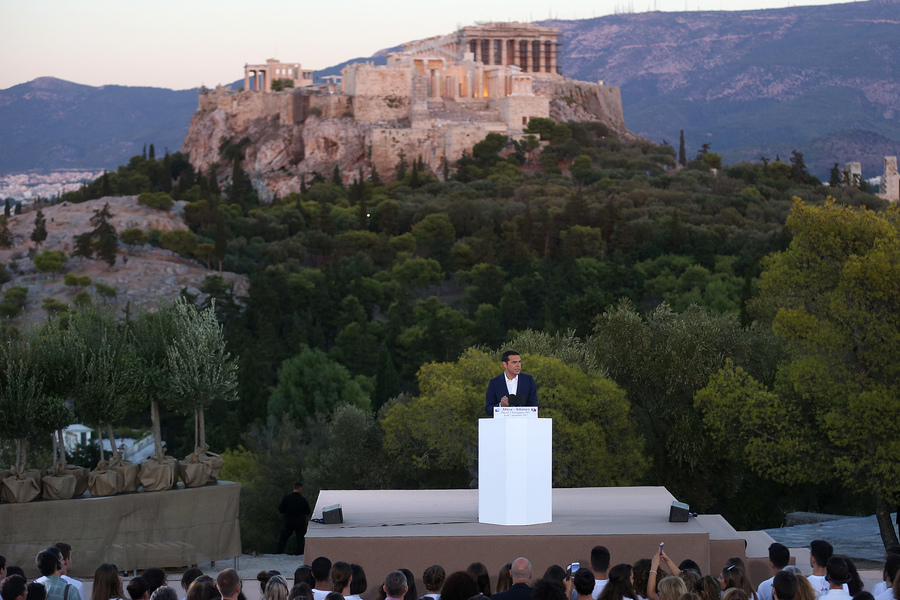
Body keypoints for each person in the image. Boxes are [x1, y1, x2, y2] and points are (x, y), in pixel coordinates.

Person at [485, 351, 538, 415]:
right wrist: (500, 406)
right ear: (505, 364)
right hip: (502, 423)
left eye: (519, 362)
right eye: (514, 362)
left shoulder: (528, 380)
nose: (518, 365)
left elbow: (534, 405)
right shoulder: (494, 383)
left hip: (524, 423)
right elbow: (488, 409)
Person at [277, 482, 312, 556]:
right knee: (300, 539)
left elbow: (281, 509)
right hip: (300, 521)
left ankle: (279, 552)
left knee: (284, 537)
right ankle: (299, 553)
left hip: (289, 521)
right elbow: (308, 511)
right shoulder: (303, 500)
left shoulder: (287, 498)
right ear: (300, 488)